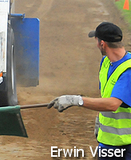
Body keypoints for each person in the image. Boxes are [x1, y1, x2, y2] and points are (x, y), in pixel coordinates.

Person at [48, 22, 131, 159]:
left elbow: (113, 104)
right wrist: (100, 118)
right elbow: (106, 97)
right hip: (108, 143)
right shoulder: (106, 63)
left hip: (126, 146)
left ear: (102, 44)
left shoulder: (128, 70)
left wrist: (75, 100)